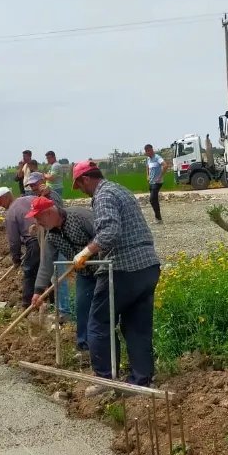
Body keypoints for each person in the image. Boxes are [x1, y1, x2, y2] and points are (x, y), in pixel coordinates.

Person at [70, 161, 161, 394]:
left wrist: (86, 252)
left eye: (79, 185)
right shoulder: (120, 189)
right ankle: (141, 381)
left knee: (99, 322)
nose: (80, 190)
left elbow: (110, 232)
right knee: (136, 327)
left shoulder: (103, 196)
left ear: (86, 179)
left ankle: (105, 379)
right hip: (147, 267)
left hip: (123, 269)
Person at [29, 197, 97, 351]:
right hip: (85, 274)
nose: (38, 223)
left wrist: (88, 252)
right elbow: (46, 264)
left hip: (105, 270)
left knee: (102, 308)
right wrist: (38, 291)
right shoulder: (52, 235)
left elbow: (104, 235)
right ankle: (84, 347)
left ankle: (103, 346)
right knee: (82, 307)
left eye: (39, 218)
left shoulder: (80, 217)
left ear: (48, 213)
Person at [25, 171, 71, 319]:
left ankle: (64, 312)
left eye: (34, 184)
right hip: (48, 241)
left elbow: (58, 212)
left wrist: (50, 192)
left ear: (42, 182)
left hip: (59, 241)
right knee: (52, 277)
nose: (33, 187)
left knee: (58, 276)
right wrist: (35, 226)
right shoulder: (40, 198)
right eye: (30, 185)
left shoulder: (51, 195)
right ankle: (58, 309)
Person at [0, 186, 40, 308]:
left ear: (7, 196)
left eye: (0, 201)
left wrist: (16, 259)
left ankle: (27, 304)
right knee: (47, 270)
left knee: (29, 272)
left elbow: (14, 241)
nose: (0, 205)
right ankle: (50, 301)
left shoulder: (11, 213)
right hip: (47, 236)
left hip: (34, 242)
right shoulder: (30, 198)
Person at [143, 144, 168, 223]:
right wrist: (147, 176)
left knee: (152, 199)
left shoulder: (157, 157)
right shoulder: (148, 159)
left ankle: (158, 218)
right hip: (151, 182)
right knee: (154, 200)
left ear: (152, 150)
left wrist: (160, 177)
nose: (148, 152)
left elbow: (165, 165)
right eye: (146, 151)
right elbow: (147, 167)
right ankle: (158, 218)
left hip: (157, 182)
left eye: (149, 151)